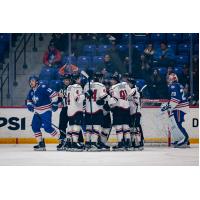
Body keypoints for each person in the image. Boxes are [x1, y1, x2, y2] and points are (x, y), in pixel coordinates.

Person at [26, 76, 60, 151]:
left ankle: (61, 139)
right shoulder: (31, 91)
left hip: (46, 111)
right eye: (30, 81)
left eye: (32, 81)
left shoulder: (43, 87)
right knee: (35, 126)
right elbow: (29, 100)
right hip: (37, 112)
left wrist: (54, 103)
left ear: (37, 82)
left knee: (47, 128)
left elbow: (54, 94)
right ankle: (41, 143)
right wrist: (29, 105)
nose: (31, 82)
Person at [161, 73, 190, 148]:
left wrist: (169, 106)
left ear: (171, 80)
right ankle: (181, 138)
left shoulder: (173, 86)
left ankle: (185, 139)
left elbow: (176, 99)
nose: (168, 80)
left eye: (169, 79)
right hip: (181, 106)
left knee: (177, 124)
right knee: (177, 124)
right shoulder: (178, 85)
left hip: (179, 107)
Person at [109, 72, 133, 150]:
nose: (111, 81)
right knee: (126, 126)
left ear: (116, 80)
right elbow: (130, 94)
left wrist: (108, 103)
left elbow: (114, 99)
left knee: (119, 126)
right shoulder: (125, 84)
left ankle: (120, 143)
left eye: (112, 79)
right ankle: (128, 142)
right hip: (126, 108)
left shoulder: (113, 87)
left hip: (118, 108)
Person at [84, 72, 107, 151]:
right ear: (100, 78)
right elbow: (103, 96)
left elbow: (85, 96)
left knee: (88, 128)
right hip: (97, 109)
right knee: (96, 127)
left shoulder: (87, 85)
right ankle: (93, 143)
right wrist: (104, 102)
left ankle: (87, 143)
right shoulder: (101, 86)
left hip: (88, 109)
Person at [66, 73, 85, 151]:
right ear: (76, 79)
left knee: (70, 126)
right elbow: (78, 99)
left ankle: (69, 143)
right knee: (76, 126)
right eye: (79, 78)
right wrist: (85, 94)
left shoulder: (69, 87)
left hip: (70, 110)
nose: (80, 80)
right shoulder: (78, 86)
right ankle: (74, 143)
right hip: (77, 109)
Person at [127, 77, 144, 150]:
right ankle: (135, 143)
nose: (128, 84)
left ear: (132, 84)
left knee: (136, 128)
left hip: (135, 112)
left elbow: (127, 95)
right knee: (133, 128)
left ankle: (138, 143)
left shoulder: (134, 89)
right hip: (133, 112)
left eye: (129, 83)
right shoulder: (134, 89)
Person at [56, 74, 71, 151]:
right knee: (61, 125)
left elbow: (72, 97)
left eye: (67, 80)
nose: (66, 81)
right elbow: (58, 99)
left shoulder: (73, 88)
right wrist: (56, 103)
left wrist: (64, 95)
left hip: (72, 109)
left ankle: (78, 141)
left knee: (74, 126)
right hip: (64, 109)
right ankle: (63, 140)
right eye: (65, 80)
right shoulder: (61, 89)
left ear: (70, 80)